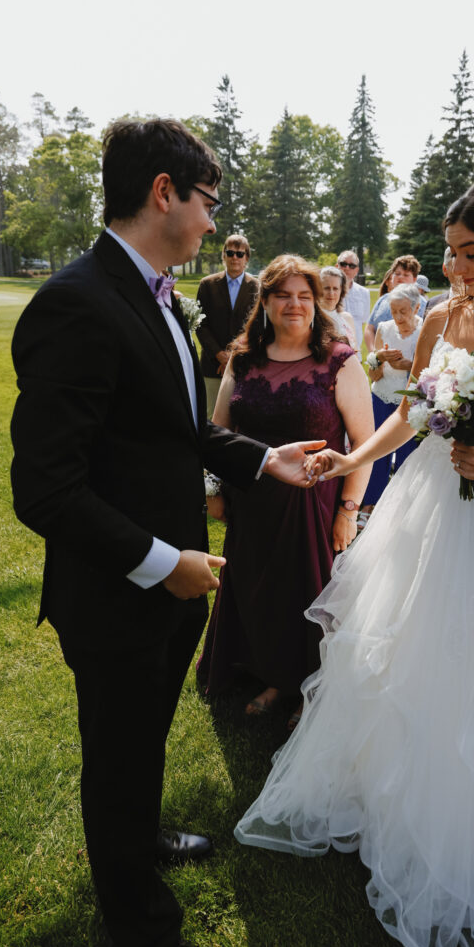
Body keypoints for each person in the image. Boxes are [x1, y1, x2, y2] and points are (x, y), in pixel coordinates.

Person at [235, 176, 474, 947]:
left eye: (471, 255)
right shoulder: (440, 318)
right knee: (396, 659)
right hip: (422, 514)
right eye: (450, 254)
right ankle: (393, 810)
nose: (456, 270)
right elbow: (408, 410)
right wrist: (351, 458)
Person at [10, 119, 325, 947]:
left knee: (143, 737)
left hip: (174, 585)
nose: (212, 223)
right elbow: (44, 489)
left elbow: (177, 431)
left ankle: (138, 838)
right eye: (207, 203)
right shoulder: (77, 302)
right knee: (115, 754)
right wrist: (162, 563)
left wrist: (265, 459)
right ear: (163, 194)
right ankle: (142, 932)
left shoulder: (157, 297)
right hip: (117, 591)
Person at [197, 254, 373, 730]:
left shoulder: (339, 360)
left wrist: (349, 511)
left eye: (304, 296)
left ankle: (310, 684)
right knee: (261, 592)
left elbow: (364, 444)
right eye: (282, 295)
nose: (294, 305)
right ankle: (271, 676)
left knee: (309, 595)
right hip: (250, 503)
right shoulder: (244, 358)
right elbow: (218, 429)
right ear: (266, 302)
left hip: (315, 507)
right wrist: (214, 488)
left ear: (317, 303)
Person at [358, 283, 421, 526]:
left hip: (409, 402)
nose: (398, 317)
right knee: (377, 454)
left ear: (416, 307)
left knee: (407, 457)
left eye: (404, 311)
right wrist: (379, 359)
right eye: (394, 311)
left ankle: (401, 510)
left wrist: (409, 366)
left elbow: (429, 372)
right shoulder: (384, 328)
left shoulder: (424, 330)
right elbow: (374, 376)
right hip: (381, 398)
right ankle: (369, 504)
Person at [196, 234, 259, 415]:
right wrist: (219, 355)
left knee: (243, 415)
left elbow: (257, 326)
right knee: (212, 415)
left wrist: (235, 355)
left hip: (245, 363)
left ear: (247, 258)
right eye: (230, 252)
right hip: (212, 364)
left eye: (240, 254)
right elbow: (200, 324)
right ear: (223, 255)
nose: (234, 258)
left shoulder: (256, 287)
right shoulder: (207, 285)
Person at [363, 254, 421, 352]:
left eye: (406, 275)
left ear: (414, 279)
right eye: (397, 273)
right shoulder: (382, 299)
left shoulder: (420, 303)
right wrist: (375, 355)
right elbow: (369, 329)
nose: (400, 277)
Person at [338, 249, 370, 355]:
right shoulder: (326, 292)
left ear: (357, 270)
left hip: (355, 353)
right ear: (336, 266)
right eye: (343, 264)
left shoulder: (364, 293)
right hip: (333, 352)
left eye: (351, 266)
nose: (347, 268)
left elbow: (363, 321)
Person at [319, 264, 357, 349]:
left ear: (341, 291)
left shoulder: (347, 318)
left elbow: (354, 349)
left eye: (335, 288)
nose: (331, 293)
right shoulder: (312, 319)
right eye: (326, 288)